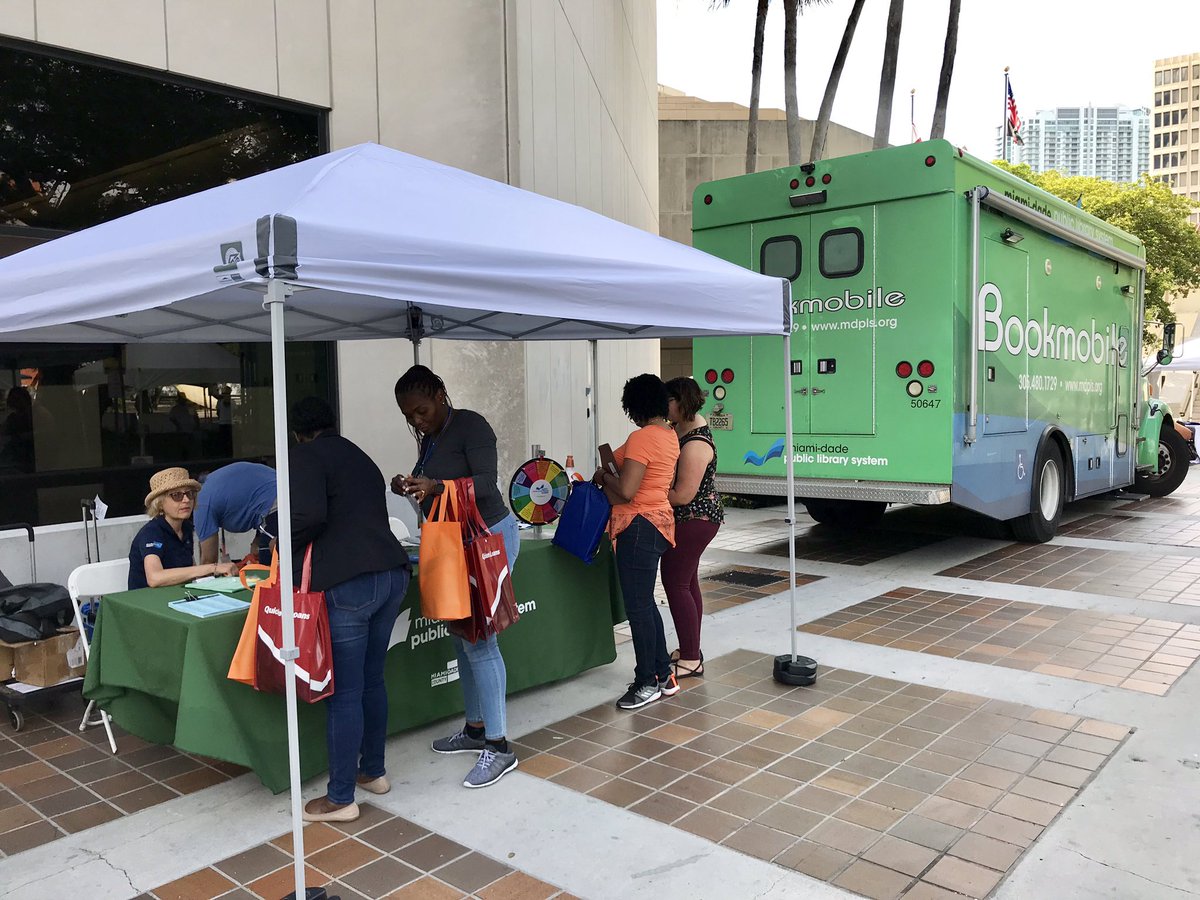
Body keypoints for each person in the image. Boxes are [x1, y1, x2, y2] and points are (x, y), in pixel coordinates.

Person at [392, 365, 522, 789]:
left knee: (482, 641)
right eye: (409, 415)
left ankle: (499, 747)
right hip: (454, 541)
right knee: (463, 638)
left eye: (422, 410)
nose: (417, 420)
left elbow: (486, 484)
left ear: (441, 394)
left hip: (487, 539)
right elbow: (438, 484)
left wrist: (437, 486)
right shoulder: (431, 438)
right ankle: (475, 729)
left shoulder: (472, 426)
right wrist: (411, 484)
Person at [287, 396, 411, 823]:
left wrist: (277, 540)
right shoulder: (358, 454)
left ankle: (340, 798)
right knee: (372, 680)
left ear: (297, 432)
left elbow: (308, 515)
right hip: (391, 574)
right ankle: (372, 772)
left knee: (343, 692)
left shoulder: (304, 456)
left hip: (347, 584)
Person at [595, 374, 681, 710]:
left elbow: (627, 490)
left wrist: (603, 478)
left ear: (635, 406)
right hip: (659, 524)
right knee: (646, 603)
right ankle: (664, 675)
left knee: (638, 607)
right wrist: (610, 466)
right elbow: (617, 458)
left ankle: (647, 682)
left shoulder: (643, 437)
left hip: (638, 526)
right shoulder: (668, 435)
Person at [661, 377, 723, 679]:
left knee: (675, 582)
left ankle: (689, 659)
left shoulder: (696, 444)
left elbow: (683, 495)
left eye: (667, 402)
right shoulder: (681, 428)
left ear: (680, 402)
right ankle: (690, 648)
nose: (663, 408)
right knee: (687, 582)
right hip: (693, 519)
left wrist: (647, 494)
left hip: (695, 519)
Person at [128, 467, 236, 590]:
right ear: (160, 503)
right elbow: (155, 578)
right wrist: (213, 567)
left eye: (189, 494)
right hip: (147, 601)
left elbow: (191, 570)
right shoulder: (151, 532)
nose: (186, 500)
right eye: (176, 495)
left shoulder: (186, 527)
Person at [193, 461, 277, 566]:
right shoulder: (211, 483)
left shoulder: (201, 503)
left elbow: (209, 562)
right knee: (258, 552)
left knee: (268, 569)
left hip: (275, 503)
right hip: (282, 491)